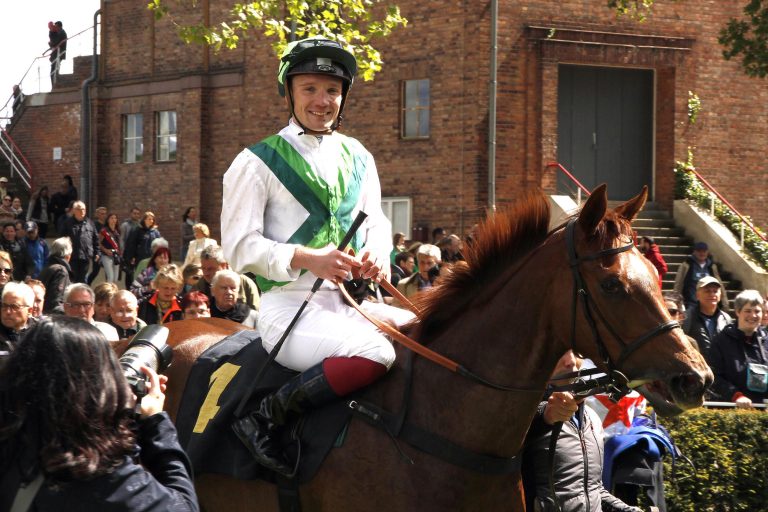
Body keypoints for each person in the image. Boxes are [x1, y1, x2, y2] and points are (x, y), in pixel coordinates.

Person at [221, 37, 416, 476]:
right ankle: (265, 416)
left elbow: (377, 224)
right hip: (287, 309)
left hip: (353, 305)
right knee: (377, 354)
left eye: (331, 90)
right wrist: (308, 258)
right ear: (289, 92)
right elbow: (237, 248)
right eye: (309, 88)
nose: (321, 100)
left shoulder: (360, 157)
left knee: (433, 332)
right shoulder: (255, 162)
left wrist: (376, 257)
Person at [0, 316, 199, 511]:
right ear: (98, 384)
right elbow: (184, 507)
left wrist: (121, 424)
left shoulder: (11, 442)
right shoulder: (100, 474)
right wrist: (155, 423)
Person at [522, 350, 643, 512]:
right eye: (561, 352)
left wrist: (628, 510)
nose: (571, 361)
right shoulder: (520, 414)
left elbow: (594, 490)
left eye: (577, 352)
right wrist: (544, 415)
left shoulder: (592, 418)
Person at [708, 289, 768, 409]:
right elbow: (714, 377)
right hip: (731, 410)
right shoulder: (721, 341)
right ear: (737, 312)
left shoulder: (766, 340)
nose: (753, 315)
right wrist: (736, 395)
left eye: (757, 311)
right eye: (747, 311)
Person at [195, 245, 260, 310]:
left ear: (224, 265)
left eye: (210, 269)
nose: (206, 273)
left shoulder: (245, 283)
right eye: (203, 268)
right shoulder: (199, 286)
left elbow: (256, 314)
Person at [682, 276, 732, 359]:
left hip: (721, 369)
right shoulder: (686, 317)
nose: (712, 294)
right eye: (707, 291)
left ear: (720, 295)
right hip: (697, 367)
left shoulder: (726, 319)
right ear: (697, 295)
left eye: (715, 291)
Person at [674, 241, 726, 309]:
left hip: (708, 303)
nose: (702, 253)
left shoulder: (711, 266)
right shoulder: (687, 265)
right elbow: (679, 282)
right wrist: (676, 300)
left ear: (707, 252)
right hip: (690, 303)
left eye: (704, 251)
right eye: (699, 251)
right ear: (694, 252)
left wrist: (724, 300)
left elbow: (719, 283)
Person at [62, 201, 99, 284]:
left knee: (82, 280)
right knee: (72, 280)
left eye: (84, 209)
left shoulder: (90, 223)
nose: (82, 211)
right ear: (74, 210)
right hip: (72, 256)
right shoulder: (67, 223)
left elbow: (95, 239)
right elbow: (62, 239)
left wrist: (97, 253)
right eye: (79, 209)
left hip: (85, 257)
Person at [124, 211, 162, 287]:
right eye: (149, 219)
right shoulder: (137, 230)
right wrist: (131, 257)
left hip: (151, 258)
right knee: (140, 275)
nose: (151, 221)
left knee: (150, 275)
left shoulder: (155, 232)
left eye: (152, 219)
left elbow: (159, 245)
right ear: (144, 220)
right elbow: (131, 244)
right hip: (140, 257)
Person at [39, 237, 74, 314]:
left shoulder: (48, 268)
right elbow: (56, 302)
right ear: (68, 255)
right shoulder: (61, 271)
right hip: (54, 318)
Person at [0, 282, 35, 352]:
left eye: (14, 307)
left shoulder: (39, 333)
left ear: (29, 311)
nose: (8, 312)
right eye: (4, 306)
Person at [86, 207, 109, 284]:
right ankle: (87, 284)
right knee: (95, 270)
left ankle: (108, 286)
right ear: (97, 214)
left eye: (105, 214)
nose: (104, 215)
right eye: (102, 214)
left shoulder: (107, 224)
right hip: (97, 251)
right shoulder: (94, 225)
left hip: (107, 251)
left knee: (108, 271)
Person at [99, 212, 123, 283]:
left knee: (115, 279)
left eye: (115, 218)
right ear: (108, 220)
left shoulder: (117, 231)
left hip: (116, 256)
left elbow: (119, 243)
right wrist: (105, 250)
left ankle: (113, 291)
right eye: (111, 218)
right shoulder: (104, 231)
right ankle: (109, 293)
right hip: (106, 256)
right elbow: (98, 243)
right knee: (110, 277)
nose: (113, 220)